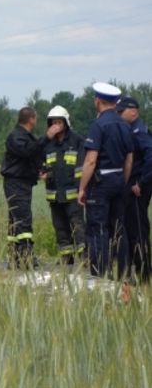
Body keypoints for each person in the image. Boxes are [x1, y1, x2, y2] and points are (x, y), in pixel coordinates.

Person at [78, 83, 134, 278]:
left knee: (97, 228)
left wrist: (82, 188)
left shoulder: (98, 125)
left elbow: (91, 160)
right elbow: (129, 160)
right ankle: (125, 273)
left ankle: (99, 273)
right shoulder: (124, 125)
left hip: (100, 182)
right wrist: (123, 181)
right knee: (119, 227)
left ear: (98, 100)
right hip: (119, 179)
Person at [1, 107, 61, 268]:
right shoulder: (16, 137)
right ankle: (27, 257)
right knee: (23, 220)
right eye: (36, 118)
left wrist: (40, 170)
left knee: (15, 221)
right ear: (31, 119)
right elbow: (28, 151)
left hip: (23, 183)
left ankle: (15, 257)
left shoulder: (26, 137)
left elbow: (31, 157)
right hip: (16, 183)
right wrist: (47, 137)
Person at [40, 106, 86, 265]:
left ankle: (85, 258)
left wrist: (82, 189)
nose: (56, 125)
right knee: (60, 227)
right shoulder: (47, 144)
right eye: (53, 122)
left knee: (77, 226)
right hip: (54, 194)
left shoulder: (77, 141)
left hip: (73, 194)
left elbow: (82, 167)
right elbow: (39, 160)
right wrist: (42, 172)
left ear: (66, 123)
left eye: (59, 122)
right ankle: (67, 258)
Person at [117, 96, 152, 280]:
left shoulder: (140, 131)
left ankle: (144, 273)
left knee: (139, 230)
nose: (119, 115)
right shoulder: (131, 129)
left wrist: (141, 182)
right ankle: (135, 269)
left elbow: (151, 159)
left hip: (138, 189)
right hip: (132, 187)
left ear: (133, 111)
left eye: (121, 111)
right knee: (131, 229)